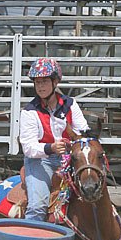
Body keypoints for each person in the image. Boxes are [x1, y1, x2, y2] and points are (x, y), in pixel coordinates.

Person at [19, 57, 90, 221]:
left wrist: (74, 139)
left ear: (55, 82)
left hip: (70, 158)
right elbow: (28, 148)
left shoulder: (71, 104)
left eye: (44, 81)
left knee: (93, 189)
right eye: (37, 83)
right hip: (40, 161)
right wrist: (50, 148)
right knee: (37, 206)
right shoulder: (29, 112)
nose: (40, 86)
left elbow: (83, 131)